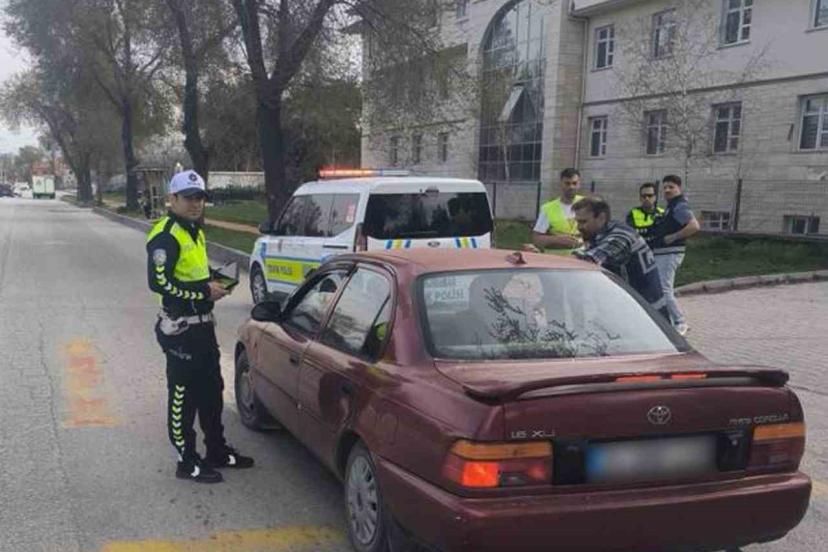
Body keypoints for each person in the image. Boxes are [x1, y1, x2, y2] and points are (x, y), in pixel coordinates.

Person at [146, 170, 254, 483]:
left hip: (203, 328)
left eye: (200, 198)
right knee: (183, 395)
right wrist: (203, 292)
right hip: (181, 330)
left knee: (212, 392)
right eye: (189, 198)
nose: (196, 204)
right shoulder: (166, 234)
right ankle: (187, 460)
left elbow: (194, 272)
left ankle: (216, 450)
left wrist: (216, 281)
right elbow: (160, 282)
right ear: (173, 199)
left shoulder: (194, 231)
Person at [571, 195, 668, 320]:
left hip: (647, 315)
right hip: (634, 308)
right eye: (577, 222)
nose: (579, 227)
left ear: (601, 218)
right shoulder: (603, 234)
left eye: (583, 222)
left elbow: (588, 260)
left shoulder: (620, 237)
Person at [648, 175, 700, 336]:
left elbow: (694, 226)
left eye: (671, 187)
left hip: (670, 253)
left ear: (679, 188)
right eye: (665, 187)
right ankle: (669, 322)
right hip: (663, 253)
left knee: (664, 289)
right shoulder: (672, 206)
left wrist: (673, 237)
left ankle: (680, 322)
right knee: (661, 288)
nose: (667, 190)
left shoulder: (679, 206)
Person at [525, 168, 585, 255]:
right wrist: (557, 240)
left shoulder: (586, 204)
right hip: (556, 259)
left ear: (579, 184)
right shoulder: (548, 208)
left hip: (581, 258)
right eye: (567, 183)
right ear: (561, 184)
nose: (571, 187)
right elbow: (536, 239)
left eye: (574, 183)